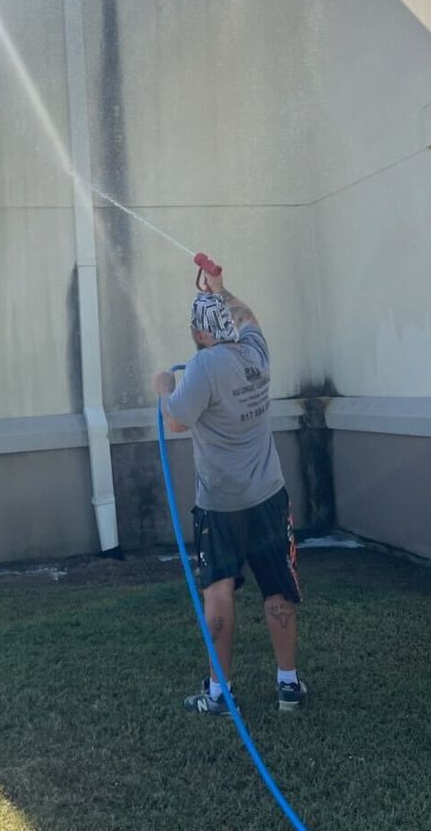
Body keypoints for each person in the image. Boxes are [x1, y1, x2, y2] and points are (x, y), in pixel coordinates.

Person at [153, 262, 306, 716]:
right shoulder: (255, 350)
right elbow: (249, 317)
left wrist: (164, 388)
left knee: (218, 591)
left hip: (220, 504)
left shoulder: (204, 365)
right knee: (277, 586)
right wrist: (222, 289)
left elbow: (176, 420)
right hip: (268, 494)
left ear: (200, 332)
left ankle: (219, 693)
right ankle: (288, 685)